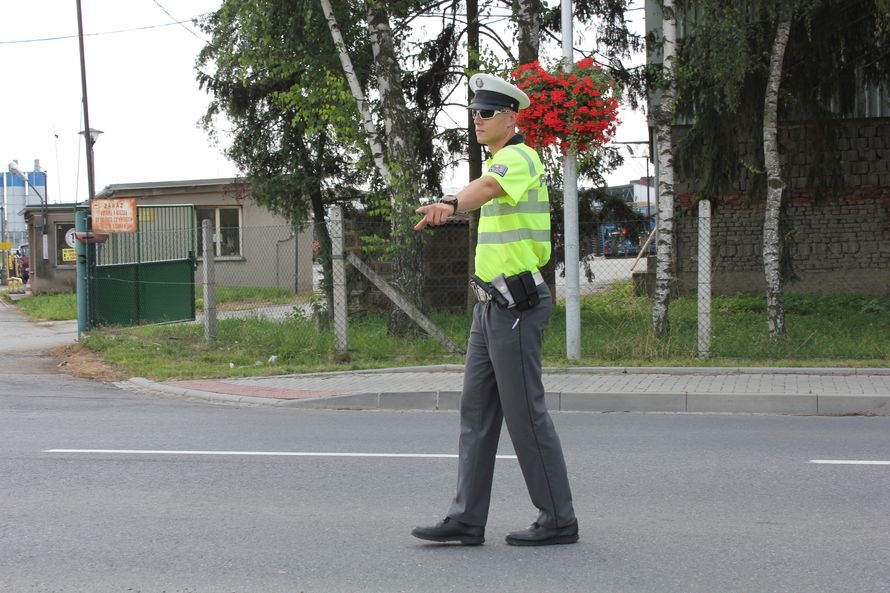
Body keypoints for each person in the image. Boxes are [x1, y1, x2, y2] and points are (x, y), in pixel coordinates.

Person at [411, 73, 578, 547]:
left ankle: (558, 518)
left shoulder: (520, 157)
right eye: (475, 112)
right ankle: (466, 518)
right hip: (491, 308)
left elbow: (484, 189)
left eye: (487, 113)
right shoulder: (502, 160)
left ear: (511, 117)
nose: (478, 120)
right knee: (477, 413)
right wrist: (452, 201)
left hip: (517, 306)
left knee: (525, 415)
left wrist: (448, 202)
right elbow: (484, 185)